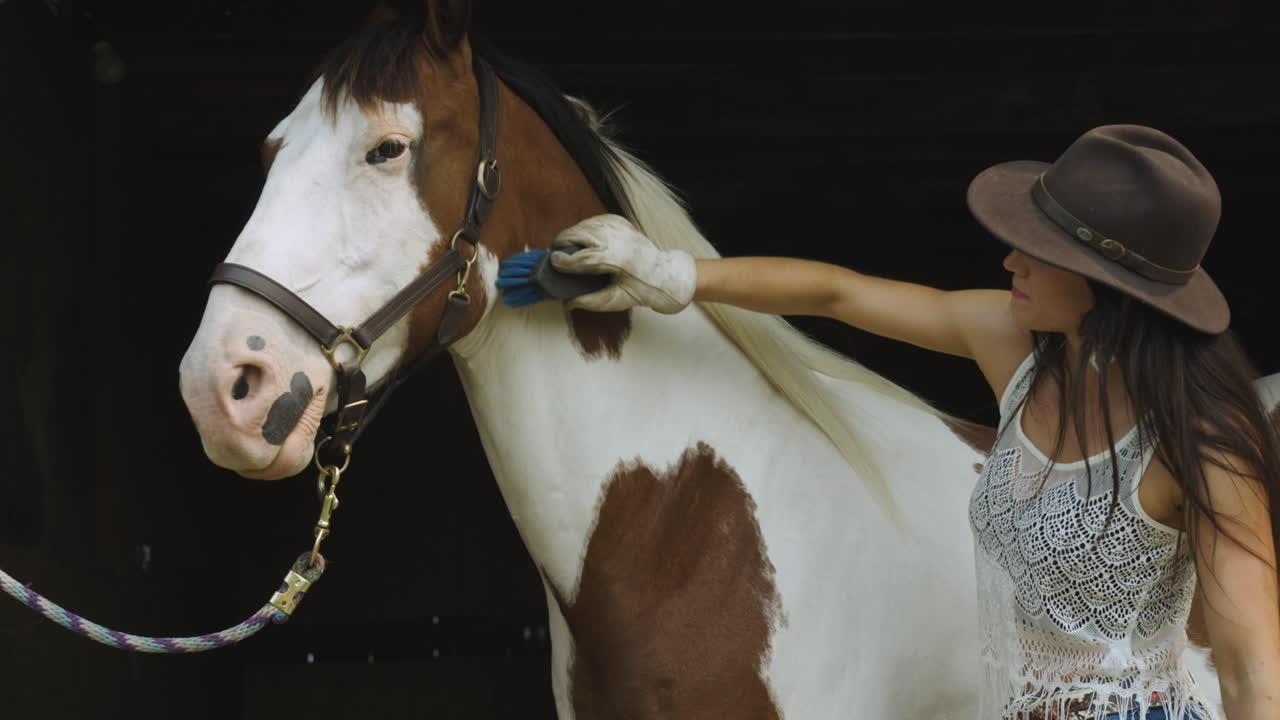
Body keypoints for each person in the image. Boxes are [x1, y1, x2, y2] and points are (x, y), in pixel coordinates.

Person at [547, 125, 1280, 720]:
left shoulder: (1204, 445)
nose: (1010, 258)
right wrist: (674, 275)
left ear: (1107, 286)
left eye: (1041, 250)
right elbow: (839, 293)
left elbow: (1253, 676)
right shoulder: (1017, 348)